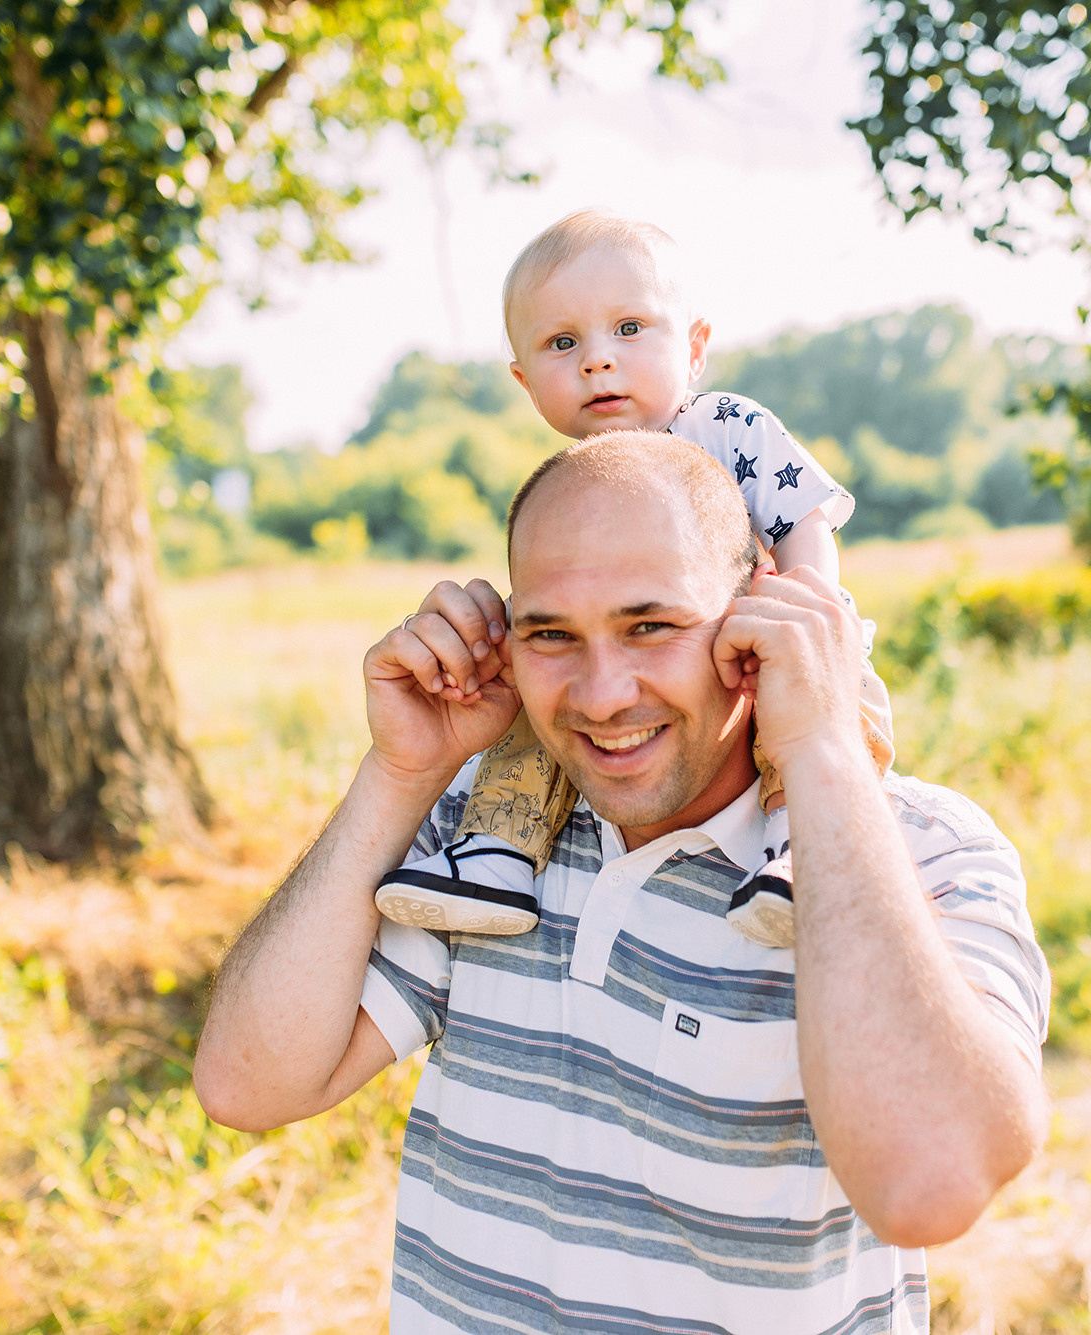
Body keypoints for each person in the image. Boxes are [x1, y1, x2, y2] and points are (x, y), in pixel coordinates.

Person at [194, 432, 1051, 1334]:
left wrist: (824, 746)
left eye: (651, 625)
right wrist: (401, 771)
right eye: (552, 635)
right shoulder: (488, 845)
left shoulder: (922, 853)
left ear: (759, 614)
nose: (602, 695)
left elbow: (933, 1184)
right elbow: (248, 1085)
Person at [372, 209, 895, 949]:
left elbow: (804, 513)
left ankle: (806, 845)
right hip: (655, 667)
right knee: (538, 699)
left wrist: (806, 598)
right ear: (525, 380)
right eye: (562, 343)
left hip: (764, 628)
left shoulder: (724, 428)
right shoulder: (572, 478)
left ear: (695, 346)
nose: (596, 361)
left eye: (629, 329)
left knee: (811, 718)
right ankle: (499, 846)